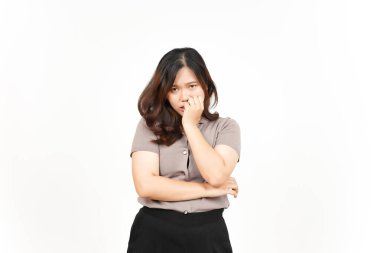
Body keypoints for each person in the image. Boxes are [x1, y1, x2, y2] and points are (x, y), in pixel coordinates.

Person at [127, 47, 241, 253]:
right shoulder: (149, 126)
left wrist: (190, 125)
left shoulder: (226, 128)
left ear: (206, 85)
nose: (184, 96)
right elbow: (145, 185)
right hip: (154, 234)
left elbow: (216, 175)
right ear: (164, 92)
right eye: (174, 89)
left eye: (191, 86)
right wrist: (207, 190)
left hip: (208, 235)